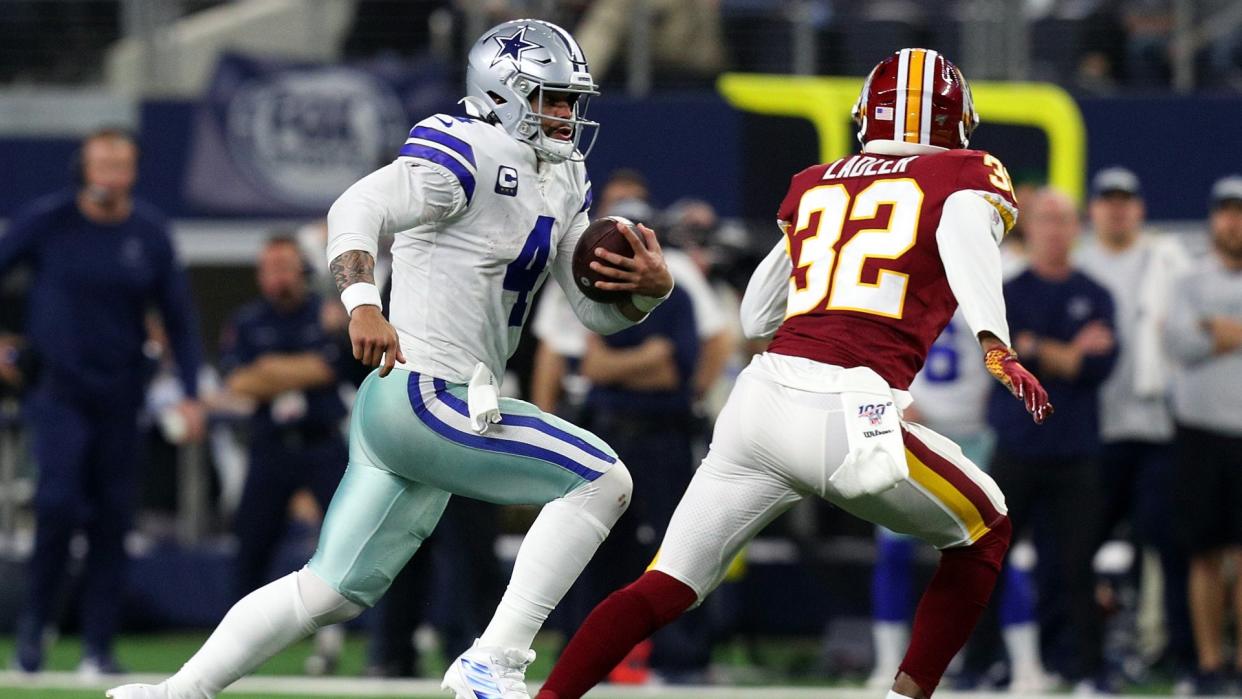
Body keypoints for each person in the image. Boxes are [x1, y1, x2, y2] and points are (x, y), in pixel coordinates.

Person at [106, 18, 673, 699]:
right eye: (549, 96)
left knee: (324, 591)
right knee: (601, 478)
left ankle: (174, 692)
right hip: (424, 391)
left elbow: (589, 312)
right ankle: (493, 658)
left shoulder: (563, 173)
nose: (564, 113)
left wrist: (645, 294)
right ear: (500, 91)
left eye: (569, 99)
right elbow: (357, 206)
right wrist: (362, 302)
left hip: (427, 405)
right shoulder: (464, 147)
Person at [535, 48, 1053, 699]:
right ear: (958, 122)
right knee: (987, 527)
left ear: (869, 116)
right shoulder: (963, 174)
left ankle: (548, 696)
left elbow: (756, 311)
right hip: (852, 408)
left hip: (762, 397)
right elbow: (964, 236)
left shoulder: (821, 180)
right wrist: (994, 342)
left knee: (667, 582)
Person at [0, 127, 205, 676]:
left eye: (121, 163)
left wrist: (191, 394)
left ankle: (97, 647)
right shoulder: (49, 221)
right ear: (84, 169)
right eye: (101, 163)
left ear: (133, 171)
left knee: (112, 523)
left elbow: (180, 322)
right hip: (58, 393)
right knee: (57, 508)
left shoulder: (150, 234)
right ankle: (34, 632)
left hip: (122, 395)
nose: (111, 173)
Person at [869, 311, 1052, 693]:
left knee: (999, 548)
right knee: (892, 549)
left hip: (976, 436)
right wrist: (888, 400)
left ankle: (1026, 663)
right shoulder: (907, 274)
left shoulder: (985, 280)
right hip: (909, 430)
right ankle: (887, 662)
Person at [987, 187, 1117, 691]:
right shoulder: (1008, 291)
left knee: (1077, 564)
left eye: (1064, 220)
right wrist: (1065, 353)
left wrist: (1038, 348)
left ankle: (1084, 667)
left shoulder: (1096, 292)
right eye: (1046, 219)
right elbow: (1003, 358)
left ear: (1076, 228)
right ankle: (984, 661)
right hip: (1018, 442)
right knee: (987, 558)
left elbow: (1100, 365)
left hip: (1075, 448)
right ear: (1030, 227)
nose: (1055, 229)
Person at [1076, 166, 1195, 681]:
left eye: (1125, 200)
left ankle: (1170, 648)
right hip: (1093, 429)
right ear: (1094, 209)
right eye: (1108, 200)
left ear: (1139, 209)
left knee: (1166, 545)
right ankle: (1077, 652)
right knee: (1077, 547)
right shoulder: (1076, 262)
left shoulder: (1168, 262)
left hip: (1155, 428)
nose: (1117, 208)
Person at [217, 234, 351, 675]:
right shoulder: (249, 320)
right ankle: (235, 648)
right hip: (271, 446)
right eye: (268, 267)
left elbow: (331, 368)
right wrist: (291, 372)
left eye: (284, 266)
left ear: (301, 270)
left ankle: (335, 639)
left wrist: (271, 369)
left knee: (343, 541)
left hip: (323, 442)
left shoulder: (326, 314)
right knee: (251, 546)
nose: (276, 276)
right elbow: (236, 382)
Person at [1164, 174, 1242, 696]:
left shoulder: (1196, 291)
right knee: (1204, 554)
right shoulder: (1188, 280)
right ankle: (1211, 664)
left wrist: (1218, 330)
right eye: (1227, 212)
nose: (1233, 222)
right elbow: (1180, 344)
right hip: (1199, 432)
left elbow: (1201, 339)